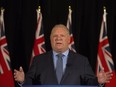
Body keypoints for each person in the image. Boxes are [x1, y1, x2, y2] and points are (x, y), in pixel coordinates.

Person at [14, 24, 112, 86]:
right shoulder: (38, 60)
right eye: (55, 36)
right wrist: (23, 80)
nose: (58, 39)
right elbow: (30, 82)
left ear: (68, 39)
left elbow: (90, 83)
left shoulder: (82, 61)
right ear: (51, 39)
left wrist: (98, 81)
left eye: (62, 36)